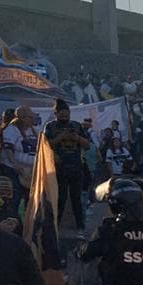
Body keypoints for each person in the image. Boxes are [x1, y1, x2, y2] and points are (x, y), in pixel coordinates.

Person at [44, 99, 91, 232]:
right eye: (62, 115)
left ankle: (80, 227)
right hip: (59, 168)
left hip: (76, 166)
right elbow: (46, 146)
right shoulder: (50, 126)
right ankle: (55, 228)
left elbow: (87, 145)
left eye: (67, 115)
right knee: (60, 199)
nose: (64, 118)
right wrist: (61, 136)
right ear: (56, 114)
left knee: (77, 199)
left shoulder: (76, 125)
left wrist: (77, 138)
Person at [0, 106, 37, 209]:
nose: (33, 119)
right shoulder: (11, 130)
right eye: (30, 117)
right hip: (13, 169)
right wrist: (15, 165)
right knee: (15, 196)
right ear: (22, 118)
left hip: (30, 171)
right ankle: (12, 219)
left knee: (30, 199)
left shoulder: (34, 130)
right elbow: (8, 149)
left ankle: (28, 221)